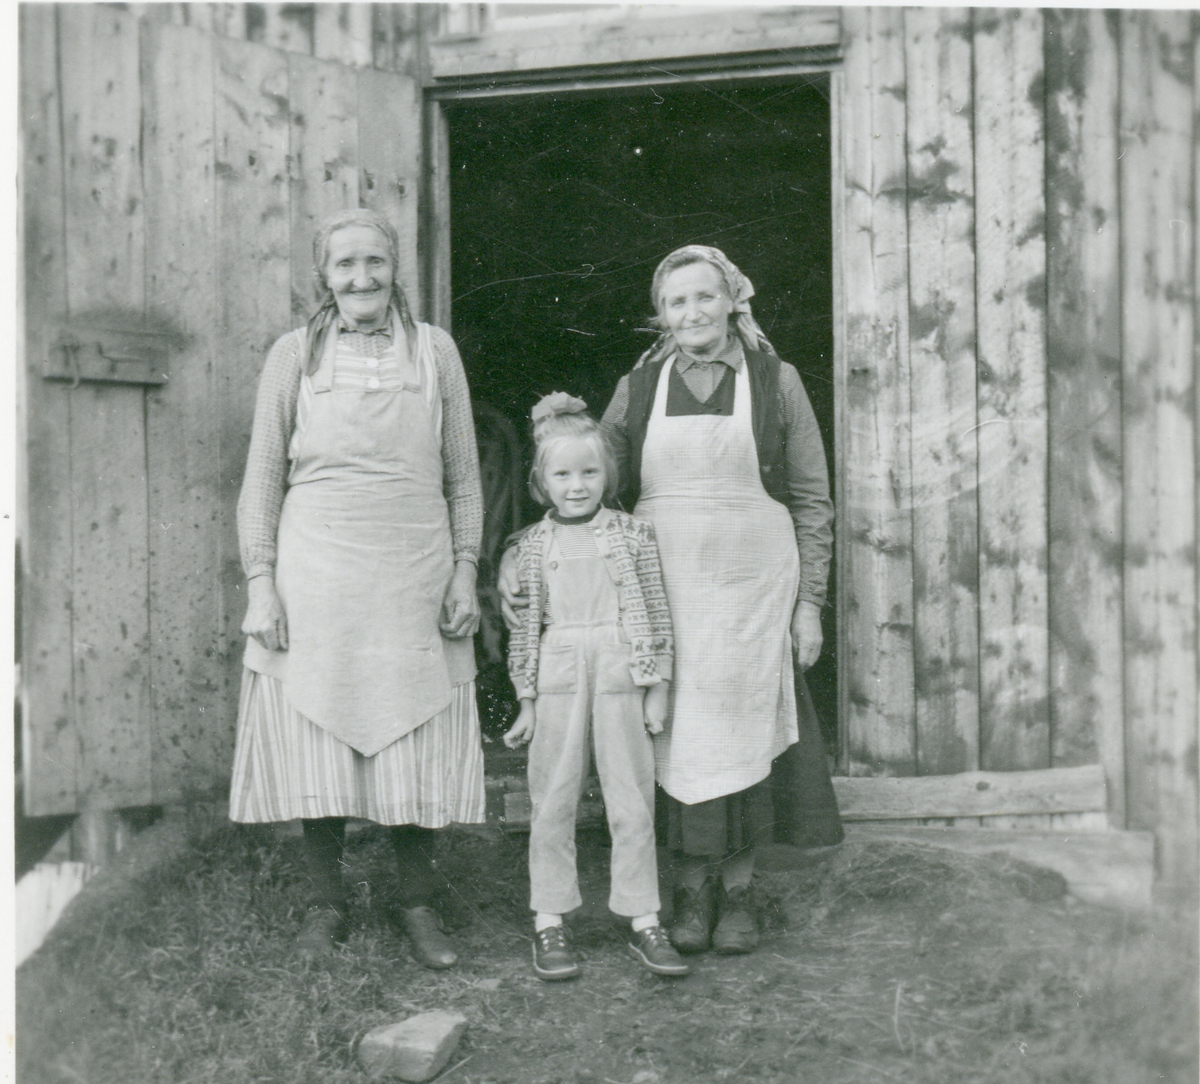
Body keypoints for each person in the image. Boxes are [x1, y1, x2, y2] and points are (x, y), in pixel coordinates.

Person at [500, 244, 841, 956]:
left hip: (753, 592)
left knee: (743, 724)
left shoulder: (778, 382)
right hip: (662, 591)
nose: (693, 312)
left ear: (732, 301)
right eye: (677, 301)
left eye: (705, 297)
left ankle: (740, 892)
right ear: (662, 314)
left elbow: (811, 497)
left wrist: (808, 602)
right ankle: (688, 891)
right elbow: (593, 486)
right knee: (676, 732)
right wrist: (543, 566)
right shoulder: (641, 385)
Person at [230, 208, 485, 970]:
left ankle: (415, 899)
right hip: (319, 571)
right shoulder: (293, 355)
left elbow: (464, 474)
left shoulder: (434, 351)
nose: (362, 278)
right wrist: (261, 584)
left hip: (413, 569)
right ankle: (324, 901)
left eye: (375, 262)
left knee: (412, 728)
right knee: (322, 730)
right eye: (345, 265)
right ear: (325, 275)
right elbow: (261, 478)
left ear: (395, 266)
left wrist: (466, 567)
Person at [503, 394, 688, 981]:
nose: (577, 485)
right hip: (559, 668)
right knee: (552, 797)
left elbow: (656, 614)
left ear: (609, 475)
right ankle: (550, 919)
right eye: (562, 474)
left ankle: (643, 917)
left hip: (619, 670)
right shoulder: (531, 545)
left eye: (589, 472)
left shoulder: (633, 535)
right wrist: (526, 699)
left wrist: (656, 687)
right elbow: (525, 631)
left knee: (631, 798)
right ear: (541, 482)